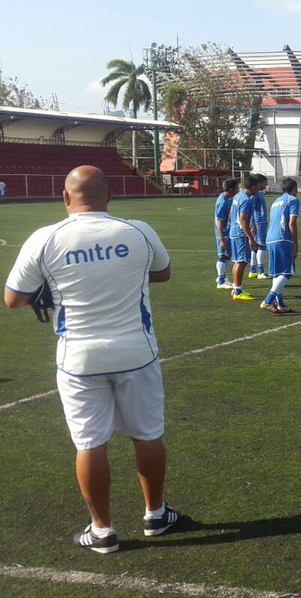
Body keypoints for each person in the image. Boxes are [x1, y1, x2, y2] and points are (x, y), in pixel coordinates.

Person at [4, 166, 187, 553]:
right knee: (148, 433)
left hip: (79, 358)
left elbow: (13, 299)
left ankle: (102, 530)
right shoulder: (136, 230)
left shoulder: (45, 238)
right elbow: (163, 273)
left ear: (66, 197)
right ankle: (155, 514)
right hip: (137, 352)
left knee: (89, 443)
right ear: (109, 196)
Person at [262, 177, 300, 314]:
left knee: (277, 274)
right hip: (283, 239)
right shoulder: (293, 200)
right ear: (294, 189)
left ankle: (281, 304)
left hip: (270, 238)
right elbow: (291, 223)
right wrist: (295, 243)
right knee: (287, 272)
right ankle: (267, 301)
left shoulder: (276, 201)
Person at [228, 176, 259, 301]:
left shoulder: (238, 196)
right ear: (252, 187)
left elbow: (231, 214)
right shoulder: (246, 199)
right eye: (257, 186)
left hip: (234, 232)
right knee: (242, 262)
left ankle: (236, 288)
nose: (258, 189)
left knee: (239, 261)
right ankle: (238, 291)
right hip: (241, 234)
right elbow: (242, 219)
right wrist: (250, 237)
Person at [212, 178, 238, 289]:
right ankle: (221, 281)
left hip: (226, 231)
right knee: (223, 255)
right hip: (223, 232)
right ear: (231, 189)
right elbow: (219, 220)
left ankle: (221, 278)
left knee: (227, 255)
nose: (238, 190)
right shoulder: (223, 201)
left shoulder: (228, 198)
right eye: (236, 188)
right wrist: (222, 239)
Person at [248, 174, 270, 280]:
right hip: (259, 223)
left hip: (260, 222)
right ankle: (261, 271)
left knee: (256, 246)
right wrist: (253, 224)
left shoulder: (258, 194)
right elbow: (251, 210)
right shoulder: (255, 195)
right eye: (265, 183)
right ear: (259, 183)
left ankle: (253, 270)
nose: (266, 185)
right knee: (261, 245)